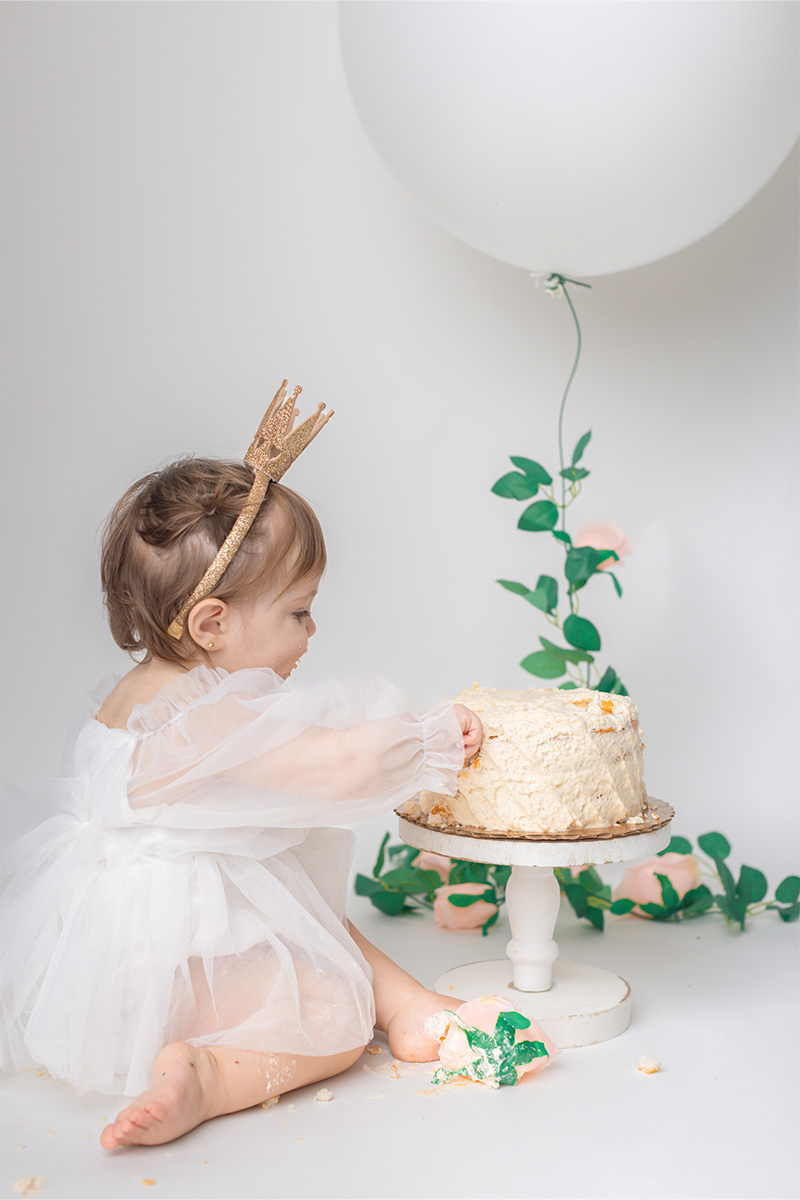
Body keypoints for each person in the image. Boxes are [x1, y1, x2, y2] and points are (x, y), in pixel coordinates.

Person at [0, 385, 483, 1149]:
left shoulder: (138, 701)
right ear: (213, 624)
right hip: (160, 978)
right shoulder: (207, 721)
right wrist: (431, 739)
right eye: (298, 611)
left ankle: (408, 1002)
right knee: (331, 1013)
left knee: (295, 898)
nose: (312, 630)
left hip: (105, 966)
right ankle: (209, 1076)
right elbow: (334, 768)